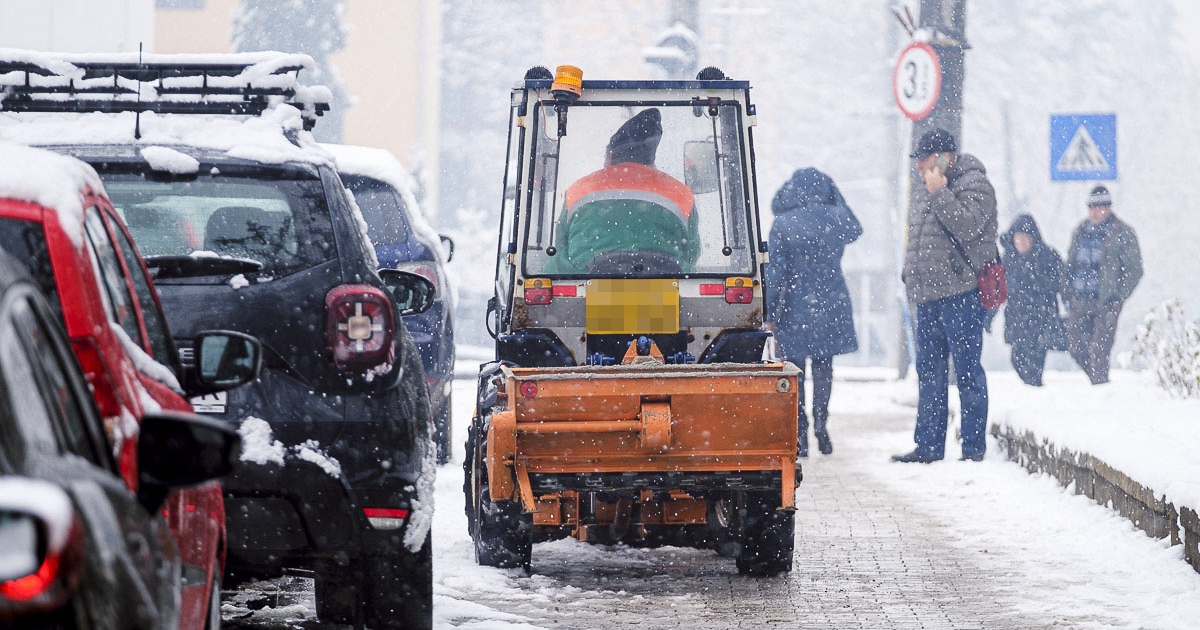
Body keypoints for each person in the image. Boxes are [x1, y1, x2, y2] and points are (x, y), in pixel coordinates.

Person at [893, 128, 998, 463]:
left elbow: (967, 226)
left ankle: (972, 448)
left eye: (924, 161)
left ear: (943, 158)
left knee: (967, 373)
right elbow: (920, 239)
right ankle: (928, 445)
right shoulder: (927, 190)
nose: (919, 168)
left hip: (962, 295)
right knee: (930, 372)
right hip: (928, 296)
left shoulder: (974, 184)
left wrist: (941, 193)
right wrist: (910, 275)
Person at [765, 168, 861, 457]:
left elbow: (775, 273)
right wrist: (833, 194)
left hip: (794, 306)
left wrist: (769, 311)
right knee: (824, 369)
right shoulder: (836, 219)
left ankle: (801, 434)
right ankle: (822, 422)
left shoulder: (783, 224)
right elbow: (855, 227)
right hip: (831, 303)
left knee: (795, 373)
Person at [550, 108, 700, 274]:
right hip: (665, 284)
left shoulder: (579, 190)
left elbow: (559, 255)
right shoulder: (680, 192)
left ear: (611, 156)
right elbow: (692, 254)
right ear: (651, 157)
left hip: (589, 285)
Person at [1062, 185, 1143, 384]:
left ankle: (1100, 388)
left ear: (1108, 208)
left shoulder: (1122, 233)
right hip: (1080, 298)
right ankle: (1097, 382)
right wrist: (1067, 293)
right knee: (1075, 346)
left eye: (1099, 207)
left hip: (1106, 301)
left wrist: (1117, 295)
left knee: (1100, 349)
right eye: (1091, 207)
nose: (1094, 212)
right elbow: (1070, 264)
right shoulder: (1080, 231)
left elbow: (1134, 270)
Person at [999, 214, 1066, 386]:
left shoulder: (1048, 257)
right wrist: (988, 314)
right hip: (1017, 318)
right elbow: (997, 290)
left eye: (1026, 238)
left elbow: (1063, 283)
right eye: (1018, 238)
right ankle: (1033, 388)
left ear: (1033, 239)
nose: (1022, 242)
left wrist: (1067, 304)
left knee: (1035, 360)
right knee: (1017, 359)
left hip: (1041, 318)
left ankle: (1035, 390)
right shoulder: (1007, 260)